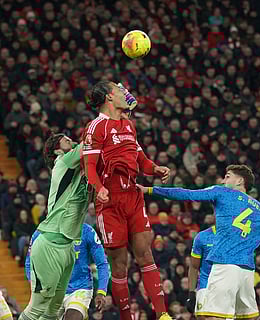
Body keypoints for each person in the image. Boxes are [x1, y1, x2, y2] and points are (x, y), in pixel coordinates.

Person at [137, 164, 260, 320]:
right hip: (247, 272)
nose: (224, 181)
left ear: (240, 181)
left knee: (212, 317)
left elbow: (186, 193)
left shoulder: (222, 193)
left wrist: (149, 190)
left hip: (225, 265)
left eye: (228, 177)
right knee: (247, 317)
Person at [82, 80, 171, 320]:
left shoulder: (129, 125)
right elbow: (89, 166)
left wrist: (156, 169)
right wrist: (98, 188)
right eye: (120, 90)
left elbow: (140, 159)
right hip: (109, 202)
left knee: (146, 255)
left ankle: (162, 314)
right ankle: (126, 316)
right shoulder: (95, 127)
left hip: (133, 196)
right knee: (119, 264)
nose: (126, 93)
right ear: (110, 97)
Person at [19, 134, 90, 320]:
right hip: (51, 242)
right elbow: (90, 143)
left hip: (68, 247)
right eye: (65, 140)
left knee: (54, 310)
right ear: (57, 150)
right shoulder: (64, 161)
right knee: (37, 308)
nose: (70, 140)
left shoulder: (78, 170)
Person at [25, 223, 110, 320]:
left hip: (79, 288)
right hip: (51, 290)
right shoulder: (41, 232)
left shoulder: (86, 231)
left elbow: (102, 263)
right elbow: (29, 263)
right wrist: (35, 286)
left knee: (73, 317)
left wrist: (101, 291)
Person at [186, 224, 216, 320]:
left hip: (226, 286)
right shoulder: (202, 237)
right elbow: (194, 267)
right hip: (205, 285)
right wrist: (191, 293)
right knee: (203, 317)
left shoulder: (234, 236)